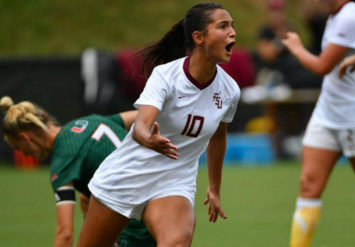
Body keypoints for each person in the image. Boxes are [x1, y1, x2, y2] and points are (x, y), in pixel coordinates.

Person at [77, 3, 240, 247]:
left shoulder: (230, 90)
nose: (232, 32)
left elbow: (217, 137)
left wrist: (214, 188)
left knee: (175, 243)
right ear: (198, 37)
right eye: (223, 26)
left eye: (232, 26)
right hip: (126, 175)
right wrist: (148, 138)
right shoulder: (165, 76)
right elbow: (142, 125)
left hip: (173, 182)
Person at [0, 96, 156, 247]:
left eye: (18, 147)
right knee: (86, 198)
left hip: (136, 226)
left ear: (25, 138)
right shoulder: (91, 121)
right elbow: (143, 116)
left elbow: (65, 234)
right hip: (161, 201)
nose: (23, 153)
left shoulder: (63, 160)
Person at [282, 0, 355, 246]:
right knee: (308, 184)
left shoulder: (352, 16)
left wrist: (296, 47)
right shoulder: (335, 14)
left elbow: (322, 66)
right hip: (328, 112)